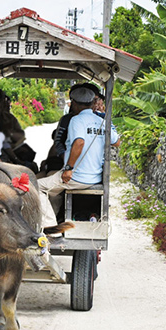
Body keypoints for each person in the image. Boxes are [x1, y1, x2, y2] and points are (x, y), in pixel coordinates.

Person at [37, 84, 120, 230]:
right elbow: (117, 142)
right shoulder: (102, 122)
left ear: (74, 103)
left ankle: (51, 227)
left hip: (77, 177)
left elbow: (79, 142)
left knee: (37, 187)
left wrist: (68, 168)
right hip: (95, 176)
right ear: (93, 103)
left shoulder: (76, 120)